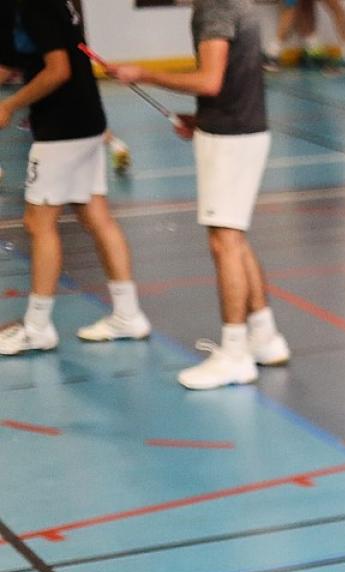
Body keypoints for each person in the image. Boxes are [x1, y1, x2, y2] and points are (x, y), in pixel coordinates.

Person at [110, 0, 294, 389]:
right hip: (236, 128)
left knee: (224, 242)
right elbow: (231, 79)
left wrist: (143, 73)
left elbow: (210, 80)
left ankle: (234, 355)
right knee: (234, 237)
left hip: (232, 138)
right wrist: (203, 118)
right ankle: (264, 337)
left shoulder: (214, 7)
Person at [0, 0, 149, 356]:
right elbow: (17, 57)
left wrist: (9, 105)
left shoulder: (37, 5)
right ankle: (128, 314)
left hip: (62, 128)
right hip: (87, 120)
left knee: (38, 223)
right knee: (95, 215)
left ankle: (37, 328)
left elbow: (58, 70)